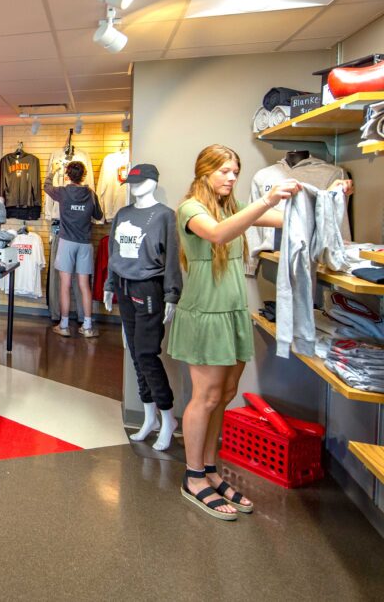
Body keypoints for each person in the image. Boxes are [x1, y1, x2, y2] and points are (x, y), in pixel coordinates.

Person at [168, 144, 350, 521]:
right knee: (204, 397)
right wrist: (267, 199)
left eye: (236, 171)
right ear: (205, 172)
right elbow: (218, 235)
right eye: (225, 171)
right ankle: (193, 477)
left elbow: (289, 220)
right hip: (205, 314)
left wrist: (329, 198)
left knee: (224, 394)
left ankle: (210, 469)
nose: (232, 178)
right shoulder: (191, 208)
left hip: (231, 312)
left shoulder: (231, 208)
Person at [102, 164, 181, 451]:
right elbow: (113, 252)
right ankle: (150, 418)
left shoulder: (164, 216)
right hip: (123, 286)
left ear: (153, 182)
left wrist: (172, 294)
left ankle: (168, 416)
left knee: (148, 354)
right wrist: (109, 285)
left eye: (140, 181)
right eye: (131, 182)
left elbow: (172, 257)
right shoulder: (123, 214)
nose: (134, 186)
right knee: (135, 354)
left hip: (149, 287)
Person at [44, 160, 103, 337]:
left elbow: (46, 187)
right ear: (84, 175)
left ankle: (63, 325)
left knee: (65, 284)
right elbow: (98, 215)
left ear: (68, 175)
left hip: (66, 242)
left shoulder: (63, 192)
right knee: (84, 285)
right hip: (85, 243)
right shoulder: (91, 194)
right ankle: (87, 326)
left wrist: (53, 172)